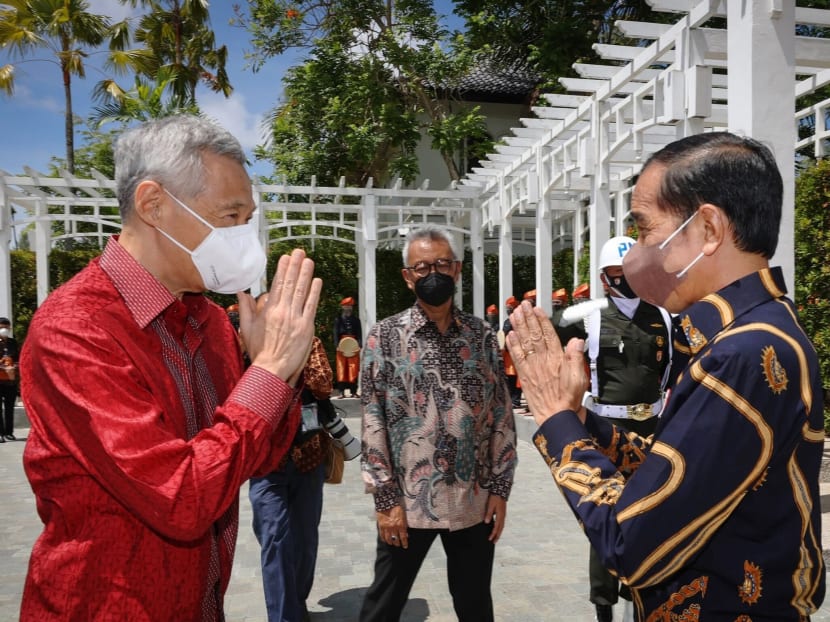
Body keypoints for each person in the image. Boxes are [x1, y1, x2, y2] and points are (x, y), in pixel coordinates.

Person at [507, 132, 826, 621]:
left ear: (709, 229)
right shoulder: (747, 334)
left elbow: (629, 544)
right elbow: (676, 476)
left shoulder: (742, 353)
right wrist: (579, 418)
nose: (638, 251)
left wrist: (554, 420)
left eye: (645, 227)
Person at [18, 114, 322, 621]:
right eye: (230, 218)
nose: (246, 237)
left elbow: (262, 456)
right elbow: (182, 498)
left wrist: (274, 369)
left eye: (249, 219)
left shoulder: (209, 321)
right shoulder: (76, 329)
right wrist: (267, 372)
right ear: (154, 205)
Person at [359, 224, 517, 622]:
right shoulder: (384, 337)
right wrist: (384, 499)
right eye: (422, 266)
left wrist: (500, 487)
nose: (433, 274)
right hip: (409, 503)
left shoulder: (481, 336)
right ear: (407, 276)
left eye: (442, 264)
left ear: (457, 269)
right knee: (384, 603)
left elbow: (500, 413)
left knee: (475, 603)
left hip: (473, 499)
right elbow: (373, 421)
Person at [571, 236, 672, 622]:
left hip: (651, 428)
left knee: (646, 511)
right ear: (603, 277)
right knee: (604, 512)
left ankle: (640, 592)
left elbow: (671, 370)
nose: (626, 280)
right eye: (618, 273)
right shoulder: (588, 316)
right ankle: (603, 606)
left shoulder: (661, 315)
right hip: (605, 426)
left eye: (633, 272)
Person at [249, 334, 334, 622]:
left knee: (305, 539)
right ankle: (284, 617)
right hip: (265, 461)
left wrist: (290, 362)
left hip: (308, 455)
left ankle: (296, 603)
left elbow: (323, 384)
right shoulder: (248, 342)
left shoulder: (310, 342)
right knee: (274, 538)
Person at [334, 296, 362, 398]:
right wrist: (337, 346)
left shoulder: (356, 320)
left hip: (353, 346)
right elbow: (335, 333)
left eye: (349, 306)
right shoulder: (338, 320)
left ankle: (353, 391)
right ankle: (341, 392)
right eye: (346, 306)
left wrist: (359, 345)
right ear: (343, 307)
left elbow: (359, 334)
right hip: (342, 346)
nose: (348, 308)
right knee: (342, 369)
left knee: (353, 369)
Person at [0, 317, 19, 442]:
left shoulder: (13, 343)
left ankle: (9, 432)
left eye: (7, 327)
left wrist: (14, 366)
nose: (4, 329)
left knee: (9, 407)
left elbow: (19, 358)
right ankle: (0, 433)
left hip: (11, 380)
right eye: (2, 327)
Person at [502, 296, 522, 410]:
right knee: (510, 378)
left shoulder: (518, 321)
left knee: (516, 378)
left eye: (509, 308)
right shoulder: (507, 321)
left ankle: (516, 400)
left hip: (516, 352)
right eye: (507, 308)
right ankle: (512, 399)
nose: (508, 310)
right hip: (508, 354)